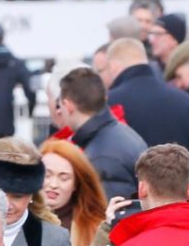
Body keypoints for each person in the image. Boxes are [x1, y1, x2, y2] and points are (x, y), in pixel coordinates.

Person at [106, 39, 189, 179]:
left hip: (135, 196)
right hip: (183, 194)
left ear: (113, 65)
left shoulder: (110, 102)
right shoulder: (187, 101)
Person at [58, 65, 147, 200]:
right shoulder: (120, 134)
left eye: (60, 106)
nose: (59, 112)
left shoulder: (102, 157)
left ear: (68, 105)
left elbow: (111, 215)